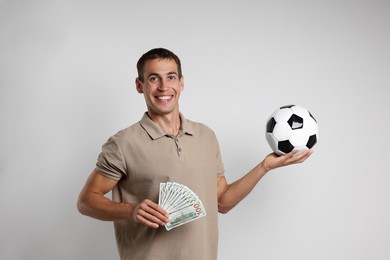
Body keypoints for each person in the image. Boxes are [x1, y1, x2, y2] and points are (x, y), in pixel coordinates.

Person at [77, 48, 312, 260]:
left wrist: (265, 166)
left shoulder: (206, 136)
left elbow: (222, 202)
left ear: (181, 83)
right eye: (153, 78)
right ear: (140, 86)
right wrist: (132, 210)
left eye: (170, 77)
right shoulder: (123, 143)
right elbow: (86, 201)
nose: (163, 87)